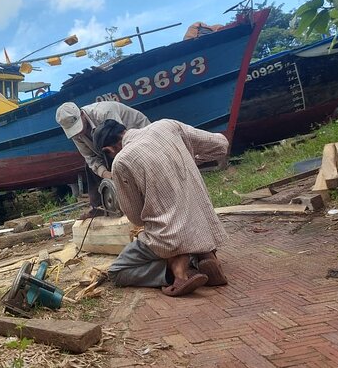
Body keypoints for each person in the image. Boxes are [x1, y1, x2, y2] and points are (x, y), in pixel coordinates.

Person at [93, 118, 229, 297]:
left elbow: (136, 218)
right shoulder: (167, 125)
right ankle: (206, 255)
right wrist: (190, 159)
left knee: (117, 272)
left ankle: (175, 268)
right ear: (124, 129)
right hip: (204, 225)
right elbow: (221, 145)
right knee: (188, 229)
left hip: (169, 237)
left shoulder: (121, 161)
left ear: (108, 150)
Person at [55, 101, 150, 218]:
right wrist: (106, 174)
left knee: (126, 166)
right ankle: (97, 208)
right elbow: (90, 157)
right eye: (75, 131)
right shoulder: (76, 134)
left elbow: (120, 141)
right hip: (110, 146)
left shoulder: (104, 113)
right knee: (90, 167)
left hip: (136, 138)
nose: (79, 132)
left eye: (79, 128)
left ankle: (139, 203)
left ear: (82, 114)